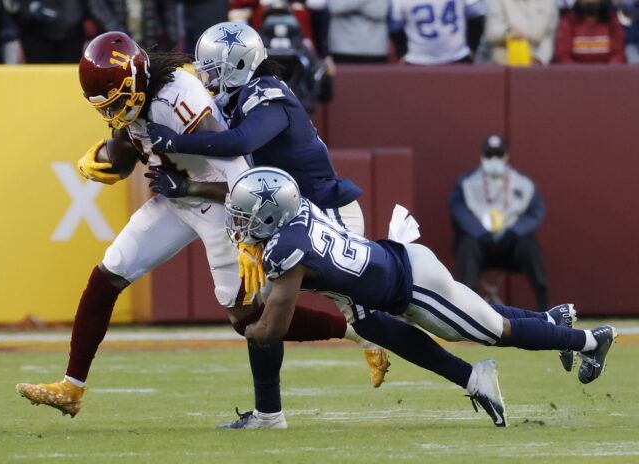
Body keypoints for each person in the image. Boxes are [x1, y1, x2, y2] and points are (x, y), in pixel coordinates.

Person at [15, 31, 385, 428]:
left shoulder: (180, 96)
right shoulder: (134, 100)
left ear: (136, 80)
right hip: (176, 201)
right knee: (109, 274)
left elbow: (238, 170)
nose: (115, 111)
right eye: (108, 106)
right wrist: (102, 156)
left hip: (221, 203)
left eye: (118, 101)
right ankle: (72, 388)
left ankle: (351, 334)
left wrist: (246, 233)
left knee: (246, 320)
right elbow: (124, 154)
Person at [225, 166, 618, 426]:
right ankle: (550, 323)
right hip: (390, 275)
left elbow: (273, 326)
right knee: (377, 325)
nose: (238, 224)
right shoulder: (300, 213)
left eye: (245, 215)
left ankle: (588, 341)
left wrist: (249, 330)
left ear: (273, 214)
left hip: (413, 284)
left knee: (495, 330)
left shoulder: (285, 252)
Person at [145, 21, 394, 428]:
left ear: (238, 64)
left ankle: (464, 358)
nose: (206, 80)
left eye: (212, 70)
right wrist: (187, 184)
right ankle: (268, 413)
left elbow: (242, 143)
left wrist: (176, 142)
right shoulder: (236, 101)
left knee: (379, 308)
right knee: (258, 313)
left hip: (325, 213)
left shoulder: (266, 93)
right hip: (290, 217)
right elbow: (246, 187)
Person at [449, 135, 549, 311]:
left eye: (498, 154)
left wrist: (516, 231)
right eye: (489, 155)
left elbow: (536, 211)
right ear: (481, 156)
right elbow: (458, 210)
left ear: (506, 156)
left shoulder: (524, 183)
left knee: (530, 246)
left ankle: (545, 305)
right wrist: (478, 232)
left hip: (511, 244)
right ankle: (465, 308)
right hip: (480, 243)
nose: (494, 159)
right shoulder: (466, 183)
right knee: (467, 246)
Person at [389, 0, 485, 64]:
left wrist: (471, 47)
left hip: (456, 56)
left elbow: (477, 15)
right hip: (418, 59)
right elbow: (395, 26)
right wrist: (403, 52)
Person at [484, 0, 559, 65]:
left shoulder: (549, 2)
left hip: (536, 64)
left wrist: (539, 59)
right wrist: (507, 31)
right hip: (503, 63)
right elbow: (491, 32)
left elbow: (549, 34)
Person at [554, 0, 626, 63]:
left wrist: (606, 74)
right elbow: (562, 56)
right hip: (575, 75)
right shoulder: (568, 22)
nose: (590, 1)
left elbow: (618, 55)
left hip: (608, 75)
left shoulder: (613, 21)